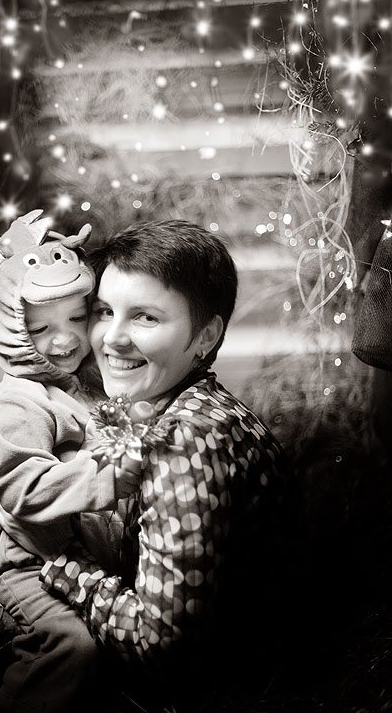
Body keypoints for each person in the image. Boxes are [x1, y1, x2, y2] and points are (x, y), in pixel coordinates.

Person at [31, 219, 287, 709]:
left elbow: (160, 649)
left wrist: (59, 562)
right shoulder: (180, 406)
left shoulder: (186, 441)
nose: (112, 339)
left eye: (145, 318)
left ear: (206, 335)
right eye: (104, 311)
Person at [0, 209, 141, 713]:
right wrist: (107, 475)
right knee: (71, 647)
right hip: (22, 557)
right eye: (39, 328)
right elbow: (22, 489)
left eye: (78, 318)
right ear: (12, 327)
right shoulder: (20, 401)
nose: (64, 341)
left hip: (67, 553)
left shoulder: (81, 381)